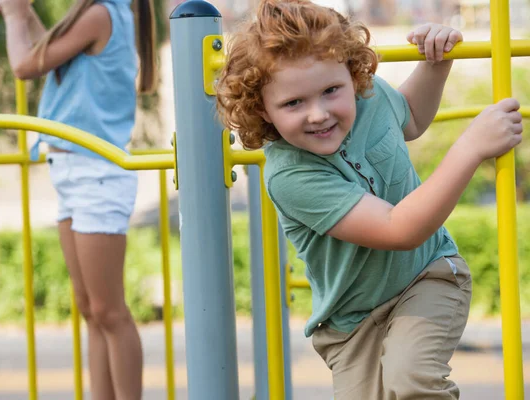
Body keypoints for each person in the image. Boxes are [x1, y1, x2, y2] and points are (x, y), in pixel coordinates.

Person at [216, 0, 523, 398]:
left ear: (353, 74)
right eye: (294, 103)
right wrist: (470, 147)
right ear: (263, 109)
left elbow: (410, 116)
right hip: (350, 325)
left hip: (425, 275)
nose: (319, 114)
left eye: (331, 91)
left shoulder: (370, 97)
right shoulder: (291, 174)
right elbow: (399, 227)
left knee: (412, 380)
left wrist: (436, 63)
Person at [0, 0, 156, 398]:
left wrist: (16, 16)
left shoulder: (101, 14)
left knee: (109, 311)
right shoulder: (95, 14)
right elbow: (45, 50)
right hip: (71, 173)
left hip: (95, 175)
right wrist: (26, 14)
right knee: (91, 309)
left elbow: (25, 65)